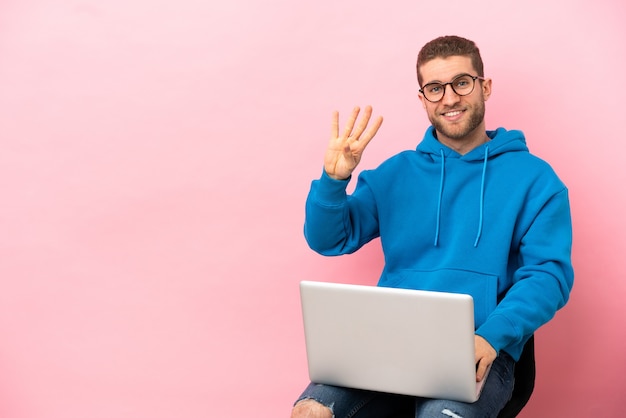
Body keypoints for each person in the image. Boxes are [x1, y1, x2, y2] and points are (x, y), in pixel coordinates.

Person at [291, 35, 574, 418]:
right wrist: (333, 180)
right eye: (435, 88)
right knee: (311, 411)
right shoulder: (395, 173)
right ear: (422, 98)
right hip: (387, 344)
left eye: (462, 83)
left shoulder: (536, 180)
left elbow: (549, 275)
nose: (450, 98)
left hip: (479, 347)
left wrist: (492, 336)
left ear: (484, 87)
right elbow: (329, 239)